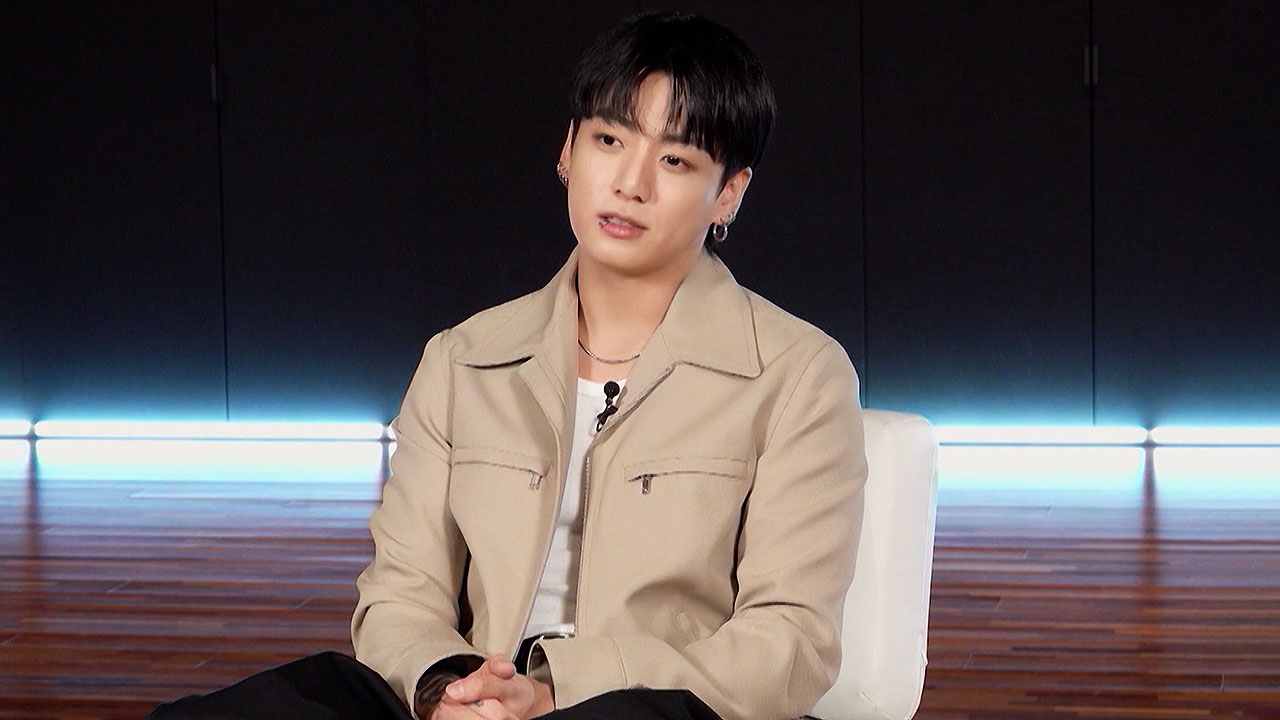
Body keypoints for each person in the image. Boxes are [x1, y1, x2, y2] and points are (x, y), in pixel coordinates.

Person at [149, 11, 865, 720]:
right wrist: (445, 693)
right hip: (474, 692)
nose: (630, 183)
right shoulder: (463, 359)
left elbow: (789, 644)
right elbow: (400, 593)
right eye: (609, 140)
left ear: (729, 193)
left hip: (654, 705)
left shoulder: (798, 374)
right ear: (568, 151)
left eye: (675, 161)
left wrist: (556, 692)